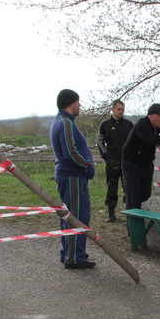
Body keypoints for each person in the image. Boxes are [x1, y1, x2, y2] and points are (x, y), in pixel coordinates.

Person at [50, 89, 96, 270]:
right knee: (77, 217)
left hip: (69, 176)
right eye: (78, 102)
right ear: (70, 103)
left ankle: (68, 253)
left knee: (68, 215)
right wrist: (86, 166)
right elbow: (70, 153)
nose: (80, 105)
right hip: (73, 176)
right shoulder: (66, 123)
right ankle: (74, 257)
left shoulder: (60, 121)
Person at [97, 100, 134, 222]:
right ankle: (111, 213)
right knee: (112, 188)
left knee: (128, 188)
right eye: (119, 109)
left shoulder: (128, 124)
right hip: (112, 163)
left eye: (123, 109)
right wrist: (106, 156)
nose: (121, 112)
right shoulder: (105, 125)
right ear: (112, 109)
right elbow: (100, 142)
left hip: (126, 162)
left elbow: (135, 141)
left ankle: (130, 212)